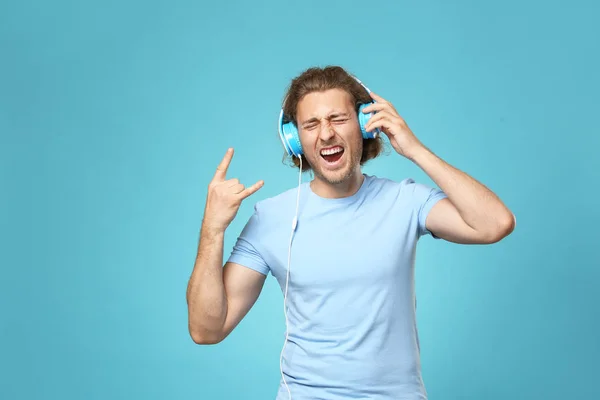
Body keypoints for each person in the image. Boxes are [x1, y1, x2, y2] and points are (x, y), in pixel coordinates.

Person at [186, 66, 516, 399]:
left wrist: (414, 149)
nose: (326, 134)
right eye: (311, 124)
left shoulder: (406, 201)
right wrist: (213, 229)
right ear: (294, 139)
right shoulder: (271, 218)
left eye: (338, 119)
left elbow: (494, 224)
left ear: (364, 125)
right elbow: (206, 329)